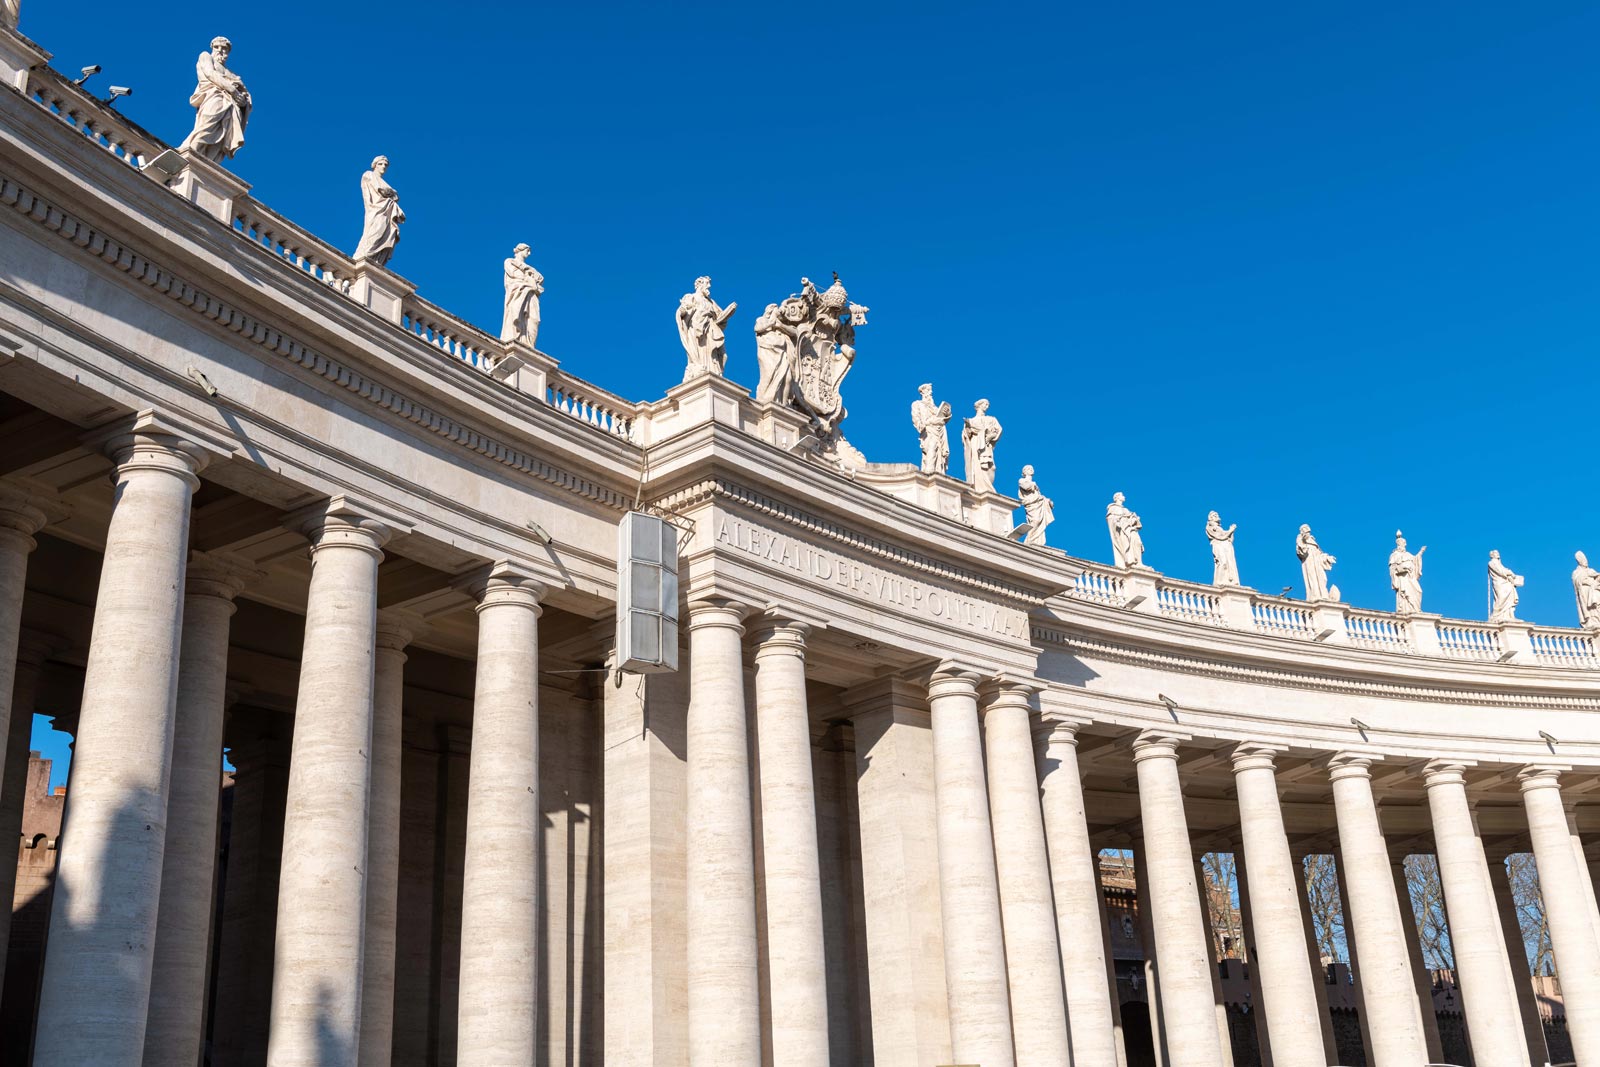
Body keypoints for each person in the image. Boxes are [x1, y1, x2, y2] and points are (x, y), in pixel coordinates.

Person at [177, 37, 251, 163]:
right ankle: (187, 151)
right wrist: (232, 90)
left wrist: (243, 100)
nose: (220, 50)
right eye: (217, 47)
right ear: (212, 47)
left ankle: (208, 163)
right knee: (207, 125)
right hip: (214, 95)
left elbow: (245, 94)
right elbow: (210, 73)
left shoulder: (231, 73)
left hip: (231, 105)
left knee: (222, 136)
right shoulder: (206, 56)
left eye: (224, 48)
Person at [677, 276, 735, 382]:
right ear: (699, 285)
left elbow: (720, 316)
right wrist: (682, 312)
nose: (709, 286)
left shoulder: (711, 302)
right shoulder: (691, 297)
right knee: (701, 352)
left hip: (711, 331)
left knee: (722, 355)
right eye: (706, 284)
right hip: (697, 330)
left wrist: (728, 312)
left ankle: (714, 372)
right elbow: (684, 310)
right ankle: (700, 369)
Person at [353, 157, 404, 266]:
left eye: (386, 165)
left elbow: (395, 196)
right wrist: (391, 193)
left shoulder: (383, 182)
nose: (384, 167)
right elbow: (382, 190)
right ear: (375, 165)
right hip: (376, 211)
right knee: (375, 233)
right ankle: (361, 259)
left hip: (386, 212)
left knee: (386, 235)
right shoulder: (368, 174)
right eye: (381, 164)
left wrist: (391, 193)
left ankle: (374, 262)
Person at [500, 243, 544, 347]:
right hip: (518, 293)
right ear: (520, 250)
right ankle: (515, 338)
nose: (529, 253)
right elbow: (513, 274)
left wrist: (529, 275)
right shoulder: (509, 261)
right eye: (527, 250)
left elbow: (541, 278)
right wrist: (528, 277)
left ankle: (529, 345)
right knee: (516, 314)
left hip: (530, 294)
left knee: (534, 320)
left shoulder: (531, 269)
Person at [961, 399, 1002, 493]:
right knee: (978, 465)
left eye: (988, 405)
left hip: (986, 445)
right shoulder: (971, 421)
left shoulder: (991, 419)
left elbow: (999, 430)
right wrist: (968, 428)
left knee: (990, 467)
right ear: (979, 406)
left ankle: (988, 487)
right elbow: (966, 436)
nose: (987, 406)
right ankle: (979, 488)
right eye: (985, 404)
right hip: (976, 445)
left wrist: (991, 436)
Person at [910, 384, 952, 474]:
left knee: (939, 452)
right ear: (923, 392)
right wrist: (926, 424)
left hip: (940, 430)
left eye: (931, 390)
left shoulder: (935, 407)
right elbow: (916, 419)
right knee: (931, 447)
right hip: (928, 430)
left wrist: (947, 413)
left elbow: (943, 417)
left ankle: (938, 472)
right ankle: (929, 472)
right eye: (929, 390)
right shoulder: (917, 404)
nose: (931, 392)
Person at [1388, 532, 1426, 615]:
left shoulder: (1408, 554)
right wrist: (1403, 569)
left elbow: (1415, 560)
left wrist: (1420, 552)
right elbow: (1393, 568)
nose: (1405, 545)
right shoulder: (1394, 555)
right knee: (1406, 594)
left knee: (1418, 591)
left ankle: (1416, 609)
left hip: (1410, 577)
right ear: (1399, 544)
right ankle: (1408, 610)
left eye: (1405, 543)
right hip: (1403, 578)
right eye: (1404, 543)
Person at [1296, 524, 1336, 601]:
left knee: (1323, 578)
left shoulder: (1313, 541)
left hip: (1317, 563)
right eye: (1306, 531)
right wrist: (1303, 541)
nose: (1308, 533)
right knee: (1313, 579)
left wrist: (1327, 558)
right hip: (1310, 561)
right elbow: (1301, 551)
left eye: (1308, 532)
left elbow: (1320, 554)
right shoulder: (1300, 538)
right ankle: (1315, 596)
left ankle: (1323, 595)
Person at [1106, 492, 1145, 568]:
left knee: (1138, 543)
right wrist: (1116, 522)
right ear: (1117, 497)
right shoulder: (1113, 508)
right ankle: (1131, 562)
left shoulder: (1126, 509)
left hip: (1131, 529)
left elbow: (1133, 519)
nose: (1124, 497)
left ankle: (1139, 563)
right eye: (1122, 495)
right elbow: (1111, 519)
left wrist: (1135, 519)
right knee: (1127, 545)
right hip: (1123, 531)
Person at [1018, 465, 1054, 546]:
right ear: (1024, 472)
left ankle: (1037, 542)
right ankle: (1029, 540)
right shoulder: (1022, 480)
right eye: (1028, 469)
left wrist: (1047, 501)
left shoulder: (1035, 485)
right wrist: (1033, 484)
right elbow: (1026, 487)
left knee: (1039, 523)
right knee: (1035, 521)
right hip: (1031, 506)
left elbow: (1038, 496)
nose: (1030, 470)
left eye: (1031, 468)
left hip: (1038, 505)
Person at [1487, 550, 1523, 623]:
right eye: (1496, 553)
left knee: (1509, 598)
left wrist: (1510, 574)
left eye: (1498, 553)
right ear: (1492, 555)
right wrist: (1510, 573)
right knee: (1501, 598)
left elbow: (1503, 569)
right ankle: (1497, 616)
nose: (1498, 554)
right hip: (1500, 583)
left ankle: (1510, 616)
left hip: (1506, 583)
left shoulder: (1499, 563)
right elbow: (1500, 571)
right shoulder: (1491, 563)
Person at [1206, 511, 1239, 586]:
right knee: (1222, 562)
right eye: (1214, 515)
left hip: (1226, 546)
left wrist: (1231, 532)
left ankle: (1230, 581)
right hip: (1218, 545)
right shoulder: (1210, 527)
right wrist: (1231, 530)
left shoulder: (1220, 528)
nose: (1217, 516)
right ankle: (1219, 582)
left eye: (1217, 515)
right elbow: (1221, 537)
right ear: (1211, 518)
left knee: (1229, 564)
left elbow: (1229, 539)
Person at [1573, 551, 1600, 629]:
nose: (1586, 562)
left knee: (1597, 606)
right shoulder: (1576, 572)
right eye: (1583, 560)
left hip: (1594, 591)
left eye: (1586, 560)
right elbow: (1577, 581)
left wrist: (1595, 582)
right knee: (1590, 609)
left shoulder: (1591, 570)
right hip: (1585, 592)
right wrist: (1587, 581)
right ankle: (1592, 622)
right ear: (1579, 561)